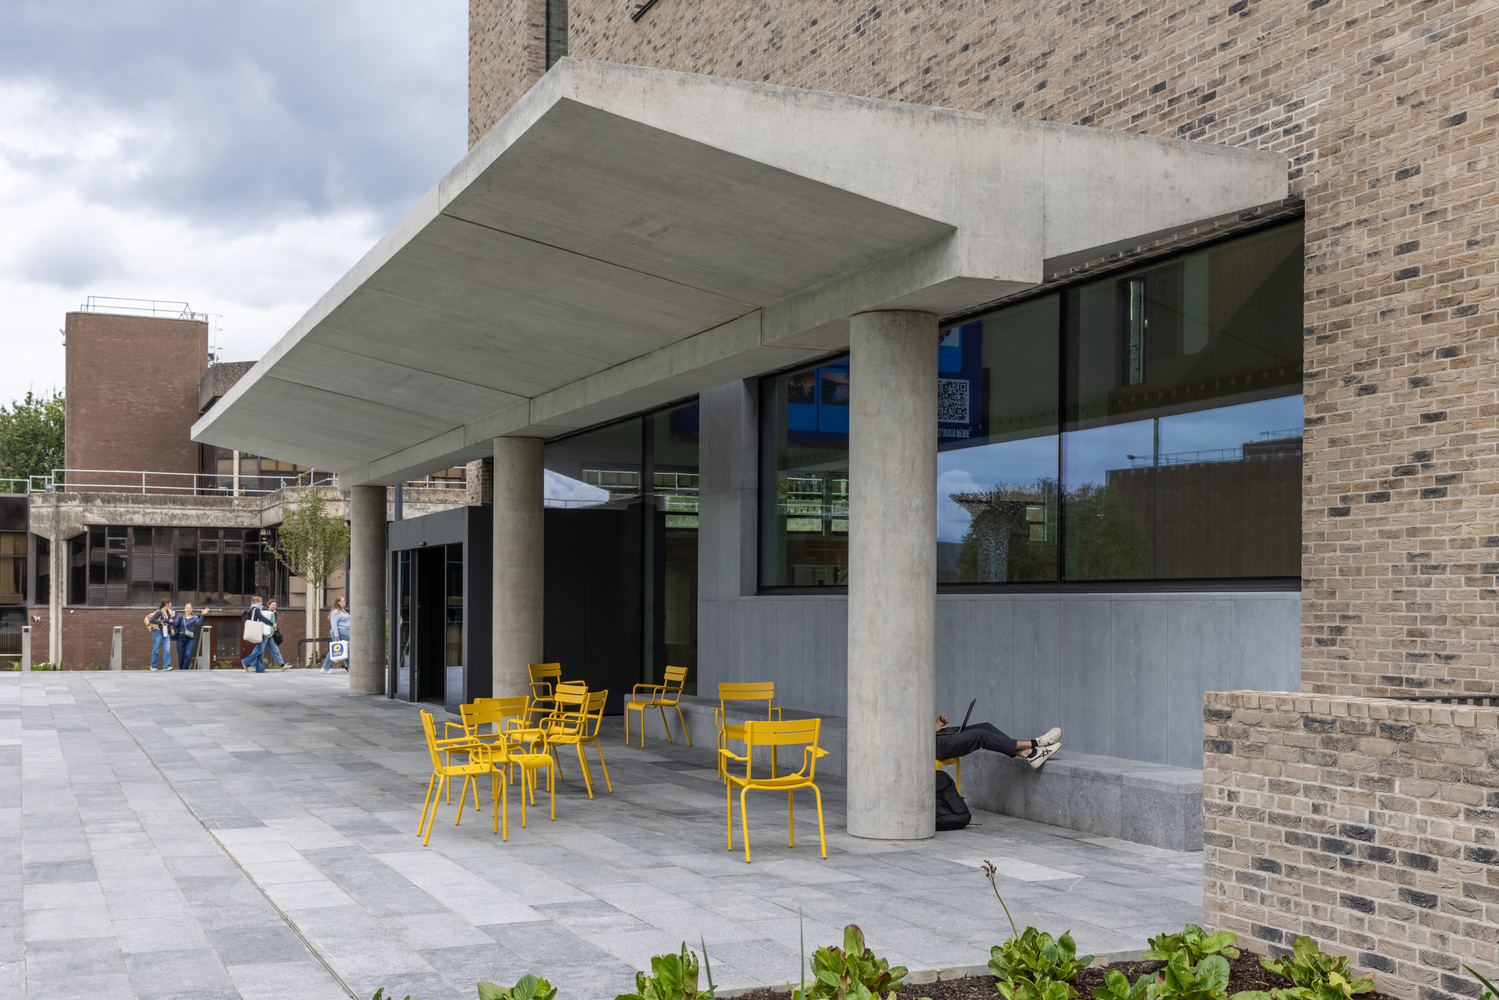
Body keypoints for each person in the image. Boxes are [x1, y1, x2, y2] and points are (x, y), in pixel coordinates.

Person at [935, 714, 1061, 770]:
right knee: (980, 735)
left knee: (985, 727)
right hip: (931, 747)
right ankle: (1035, 743)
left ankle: (1030, 754)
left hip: (935, 738)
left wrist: (936, 724)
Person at [241, 596, 274, 673]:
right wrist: (271, 624)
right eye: (260, 601)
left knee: (260, 649)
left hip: (257, 631)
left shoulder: (254, 609)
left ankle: (259, 669)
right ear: (256, 602)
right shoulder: (256, 609)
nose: (261, 603)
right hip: (257, 631)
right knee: (260, 649)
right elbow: (262, 618)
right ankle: (246, 661)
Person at [320, 598, 350, 672]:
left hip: (344, 631)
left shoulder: (342, 610)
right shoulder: (336, 612)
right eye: (343, 601)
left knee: (347, 648)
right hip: (340, 631)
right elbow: (333, 623)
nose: (345, 602)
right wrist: (336, 634)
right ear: (338, 602)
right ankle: (324, 668)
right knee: (338, 648)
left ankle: (349, 666)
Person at [145, 599, 174, 671]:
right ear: (166, 604)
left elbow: (167, 622)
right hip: (158, 632)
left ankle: (166, 666)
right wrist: (160, 622)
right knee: (156, 649)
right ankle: (153, 666)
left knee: (167, 649)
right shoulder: (159, 612)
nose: (170, 605)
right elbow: (152, 620)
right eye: (170, 604)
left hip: (166, 632)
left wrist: (170, 620)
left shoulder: (168, 612)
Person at [173, 603, 202, 670]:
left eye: (189, 608)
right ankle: (181, 670)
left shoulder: (195, 617)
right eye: (187, 608)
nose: (188, 609)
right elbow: (175, 624)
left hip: (190, 639)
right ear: (184, 609)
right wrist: (172, 617)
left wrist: (202, 614)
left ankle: (185, 670)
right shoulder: (180, 617)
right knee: (181, 656)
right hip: (180, 638)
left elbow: (198, 623)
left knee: (188, 655)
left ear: (192, 609)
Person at [263, 600, 286, 668]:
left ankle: (282, 664)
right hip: (265, 633)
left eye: (275, 605)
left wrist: (274, 626)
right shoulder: (265, 613)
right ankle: (249, 663)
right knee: (259, 649)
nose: (274, 606)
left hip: (270, 634)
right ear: (268, 605)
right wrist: (272, 625)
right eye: (273, 605)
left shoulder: (274, 613)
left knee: (275, 649)